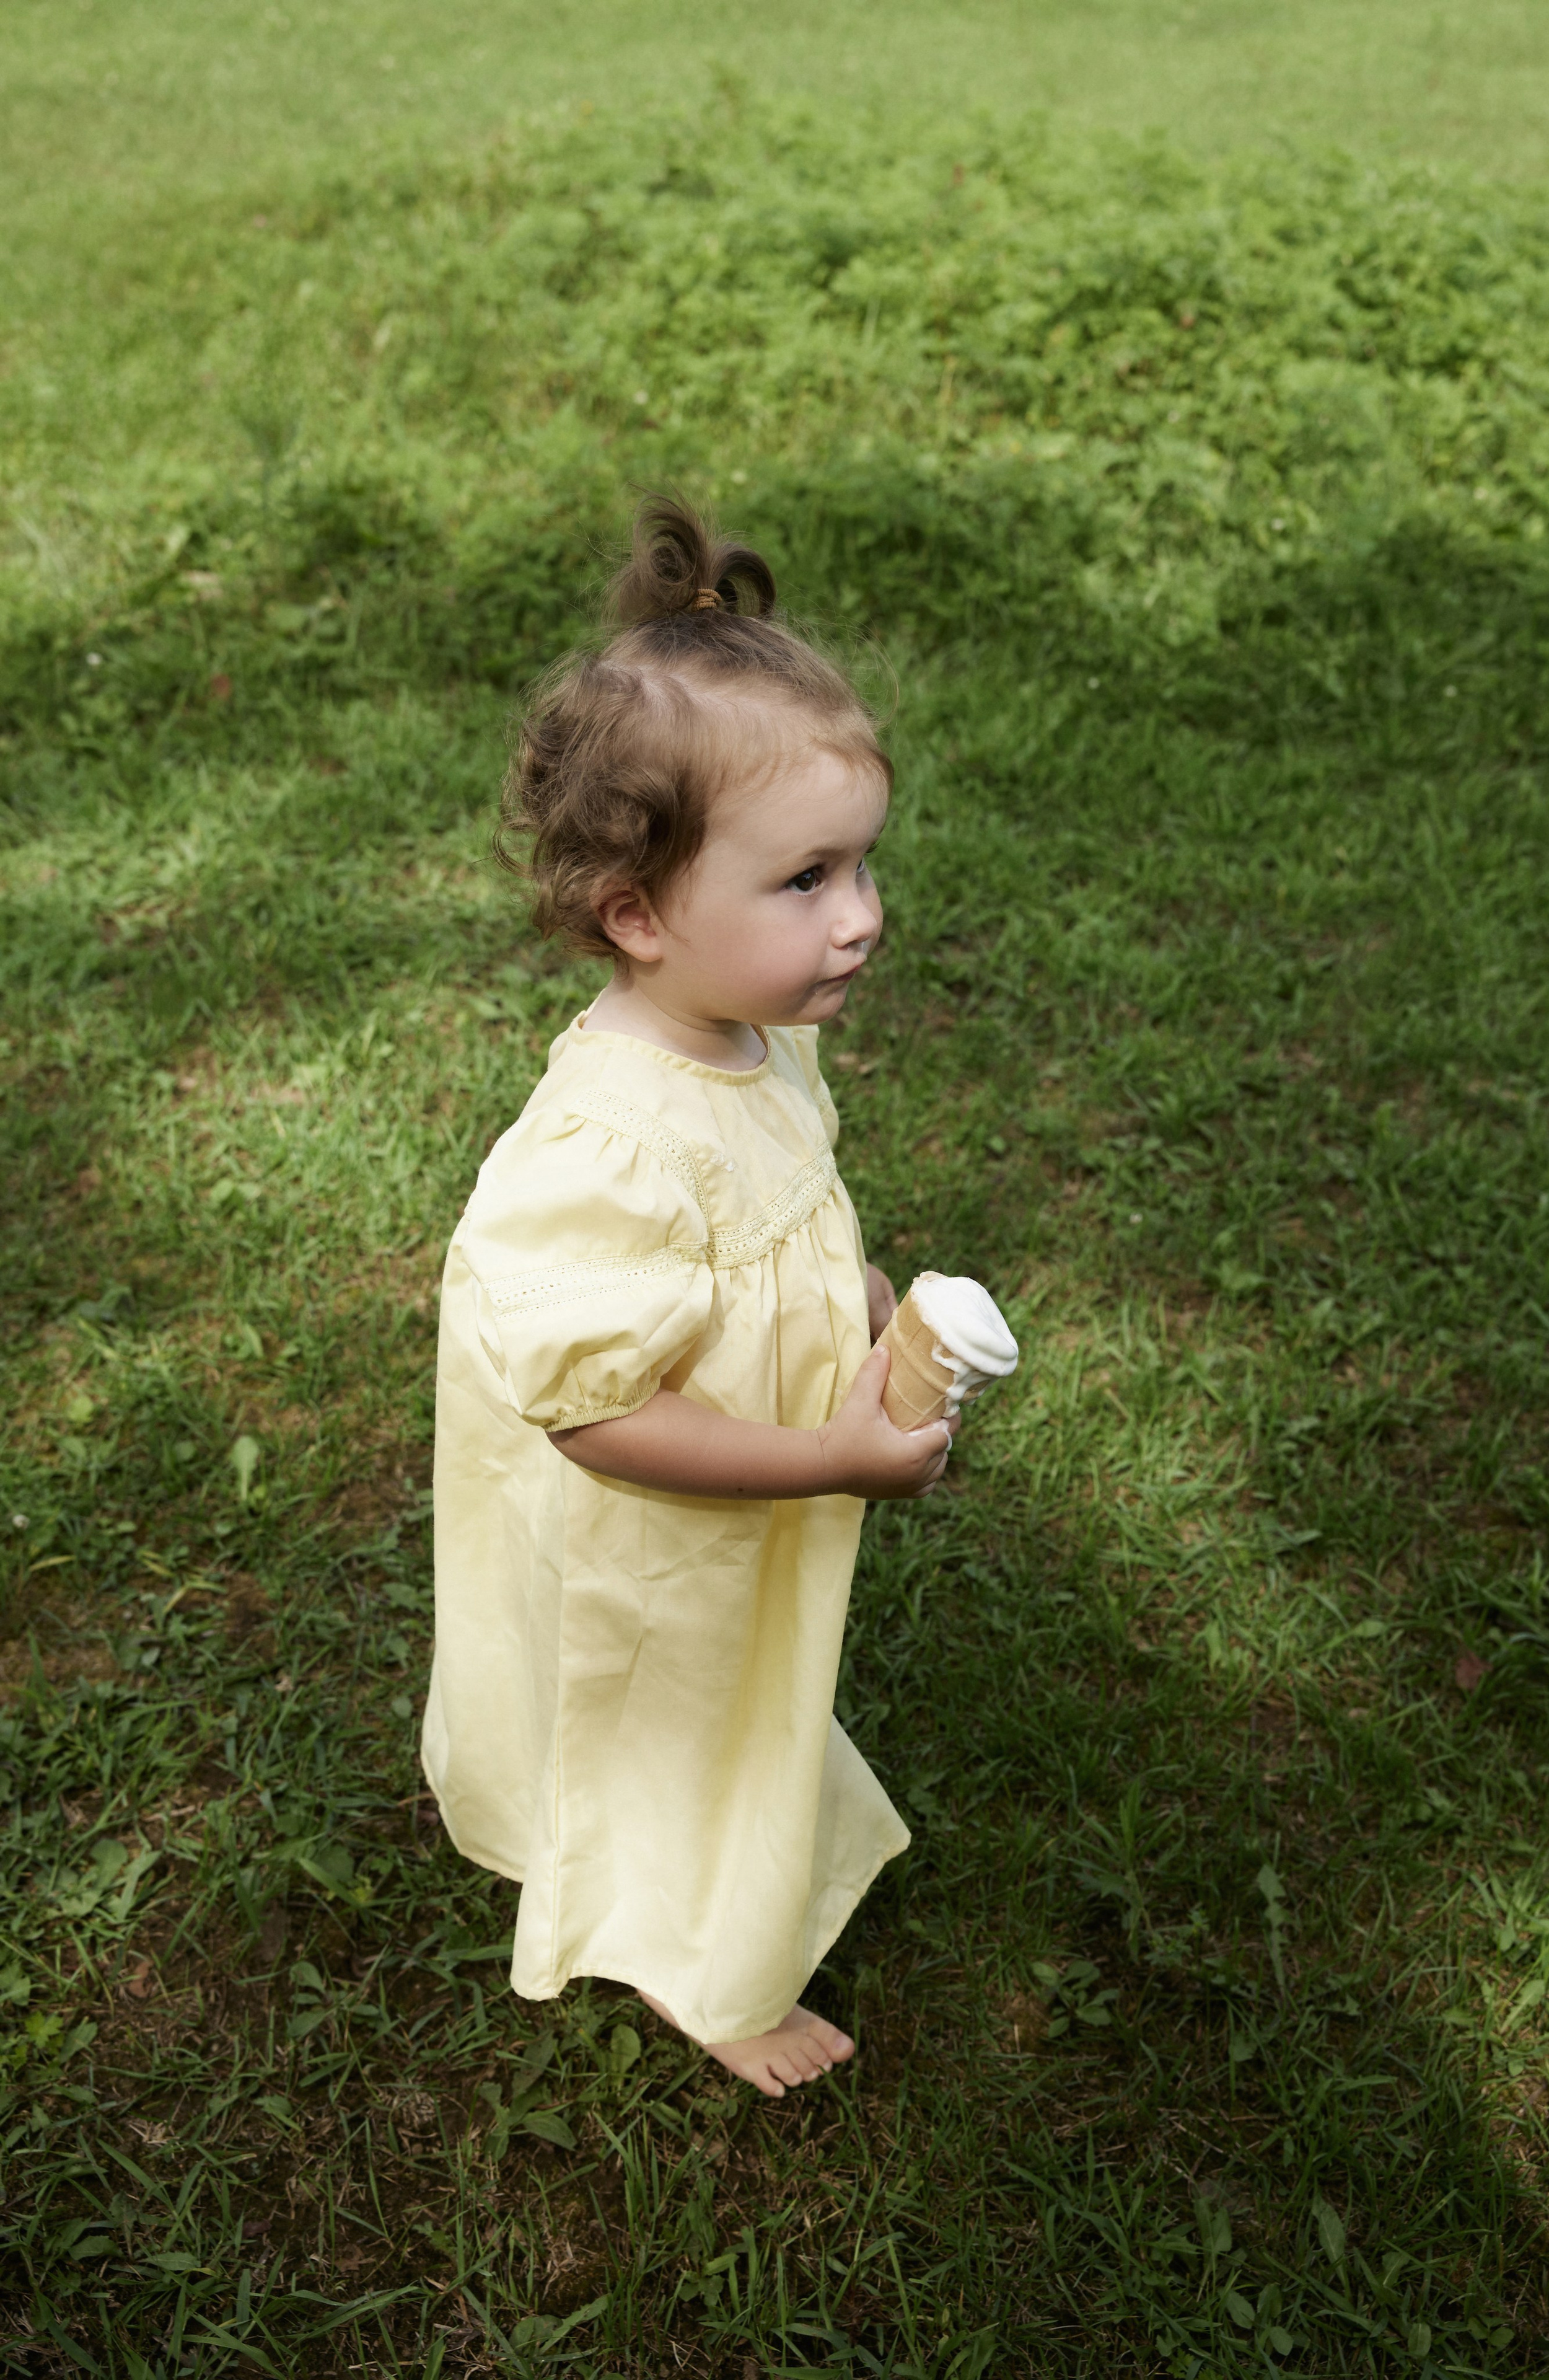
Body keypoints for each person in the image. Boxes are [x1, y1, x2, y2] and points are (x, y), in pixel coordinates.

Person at [423, 498, 954, 2099]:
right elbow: (596, 1417)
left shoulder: (759, 1038)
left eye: (863, 863)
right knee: (661, 1710)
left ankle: (705, 1879)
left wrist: (865, 1301)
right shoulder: (605, 1148)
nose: (859, 915)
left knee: (735, 1695)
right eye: (805, 879)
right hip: (655, 1523)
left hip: (749, 1486)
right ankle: (698, 1964)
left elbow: (788, 1211)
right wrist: (834, 1463)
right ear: (637, 915)